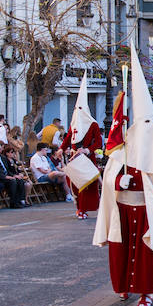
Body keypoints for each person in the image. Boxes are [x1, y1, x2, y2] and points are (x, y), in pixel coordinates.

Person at [94, 51, 153, 306]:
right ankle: (123, 286)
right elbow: (108, 181)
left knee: (146, 252)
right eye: (144, 123)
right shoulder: (121, 152)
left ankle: (145, 292)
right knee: (121, 249)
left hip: (147, 211)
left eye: (152, 123)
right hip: (122, 210)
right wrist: (116, 182)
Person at [64, 79, 104, 219]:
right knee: (74, 184)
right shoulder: (74, 124)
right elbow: (68, 138)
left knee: (86, 184)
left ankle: (83, 208)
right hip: (74, 158)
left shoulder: (93, 124)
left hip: (87, 158)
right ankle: (78, 208)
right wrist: (62, 149)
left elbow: (98, 142)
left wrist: (87, 150)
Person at [0, 141, 26, 208]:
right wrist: (5, 177)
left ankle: (20, 200)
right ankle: (13, 202)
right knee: (13, 181)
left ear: (0, 150)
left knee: (20, 180)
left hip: (7, 175)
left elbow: (8, 169)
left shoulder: (3, 158)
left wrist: (14, 175)